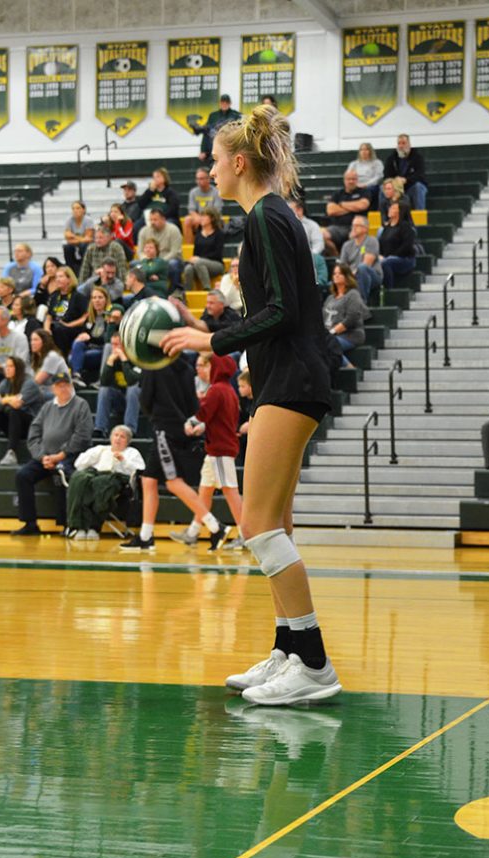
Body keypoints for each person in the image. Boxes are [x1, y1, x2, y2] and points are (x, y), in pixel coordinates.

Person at [160, 103, 342, 706]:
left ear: (239, 162)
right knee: (277, 525)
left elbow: (284, 312)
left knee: (258, 526)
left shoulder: (266, 216)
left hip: (290, 381)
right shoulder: (271, 216)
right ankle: (288, 650)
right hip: (289, 379)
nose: (208, 171)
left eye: (214, 160)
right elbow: (282, 307)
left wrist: (212, 339)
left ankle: (312, 663)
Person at [119, 358, 230, 553]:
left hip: (165, 428)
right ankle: (146, 536)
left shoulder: (152, 365)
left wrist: (156, 417)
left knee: (172, 481)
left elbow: (145, 398)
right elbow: (193, 403)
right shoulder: (186, 367)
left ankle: (216, 527)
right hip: (181, 427)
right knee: (149, 479)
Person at [169, 353, 244, 549]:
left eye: (208, 365)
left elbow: (203, 413)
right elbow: (218, 419)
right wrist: (201, 427)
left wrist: (191, 422)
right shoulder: (228, 390)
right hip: (217, 448)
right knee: (204, 492)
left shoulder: (216, 390)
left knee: (230, 492)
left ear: (217, 367)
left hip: (220, 449)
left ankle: (246, 534)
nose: (204, 370)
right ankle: (193, 531)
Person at [12, 372, 93, 536]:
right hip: (46, 456)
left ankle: (67, 525)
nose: (63, 388)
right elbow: (33, 434)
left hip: (71, 456)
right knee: (23, 475)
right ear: (53, 388)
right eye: (59, 385)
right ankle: (30, 523)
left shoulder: (80, 405)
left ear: (71, 386)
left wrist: (61, 455)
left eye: (66, 385)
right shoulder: (48, 407)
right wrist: (43, 457)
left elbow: (82, 436)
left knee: (61, 473)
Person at [66, 425, 145, 541]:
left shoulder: (132, 453)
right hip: (94, 475)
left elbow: (139, 471)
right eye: (116, 435)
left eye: (122, 437)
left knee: (102, 483)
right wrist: (93, 456)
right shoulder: (101, 449)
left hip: (117, 479)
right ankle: (78, 526)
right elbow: (79, 465)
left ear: (127, 441)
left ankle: (94, 526)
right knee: (79, 479)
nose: (118, 439)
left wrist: (123, 460)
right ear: (111, 438)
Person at [93, 333, 141, 438]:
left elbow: (132, 380)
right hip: (120, 400)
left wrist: (124, 359)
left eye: (117, 344)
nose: (115, 348)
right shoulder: (112, 359)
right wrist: (109, 362)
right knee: (104, 390)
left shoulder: (137, 358)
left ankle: (129, 429)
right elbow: (104, 382)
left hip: (138, 402)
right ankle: (100, 428)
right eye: (113, 345)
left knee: (133, 389)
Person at [322, 264, 369, 365]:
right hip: (330, 336)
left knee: (328, 345)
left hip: (350, 335)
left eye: (340, 273)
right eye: (334, 273)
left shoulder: (353, 294)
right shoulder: (330, 298)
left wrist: (332, 332)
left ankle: (350, 369)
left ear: (347, 277)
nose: (336, 276)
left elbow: (351, 318)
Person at [69, 286, 112, 388]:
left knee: (76, 357)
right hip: (89, 349)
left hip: (102, 351)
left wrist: (89, 338)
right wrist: (82, 337)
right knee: (76, 345)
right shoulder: (89, 318)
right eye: (94, 298)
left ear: (106, 300)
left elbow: (107, 339)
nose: (97, 300)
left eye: (100, 297)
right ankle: (77, 376)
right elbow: (84, 336)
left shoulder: (110, 317)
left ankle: (79, 375)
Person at [322, 168, 370, 256]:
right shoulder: (338, 194)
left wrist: (341, 204)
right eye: (349, 179)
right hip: (337, 227)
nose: (351, 181)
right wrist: (353, 207)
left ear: (357, 180)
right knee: (322, 235)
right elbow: (330, 210)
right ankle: (336, 256)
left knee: (355, 236)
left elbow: (362, 205)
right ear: (344, 180)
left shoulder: (364, 192)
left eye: (353, 179)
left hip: (356, 226)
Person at [44, 266, 88, 358]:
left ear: (69, 279)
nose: (57, 279)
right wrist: (46, 329)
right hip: (55, 325)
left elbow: (85, 317)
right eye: (56, 277)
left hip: (72, 327)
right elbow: (49, 316)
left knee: (59, 329)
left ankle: (62, 357)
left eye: (61, 277)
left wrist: (69, 325)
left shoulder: (78, 296)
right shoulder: (54, 296)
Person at [136, 208, 184, 293]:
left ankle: (176, 291)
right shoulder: (144, 231)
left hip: (168, 260)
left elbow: (175, 251)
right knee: (134, 264)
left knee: (174, 264)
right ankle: (141, 292)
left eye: (155, 220)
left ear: (163, 219)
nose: (152, 222)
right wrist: (145, 261)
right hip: (148, 261)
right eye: (151, 220)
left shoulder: (173, 230)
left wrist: (159, 263)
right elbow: (140, 251)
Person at [340, 215, 383, 302]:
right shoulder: (347, 245)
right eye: (353, 225)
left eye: (357, 226)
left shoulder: (372, 241)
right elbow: (342, 266)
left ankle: (362, 302)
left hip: (371, 275)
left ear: (365, 229)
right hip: (352, 276)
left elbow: (367, 264)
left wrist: (350, 275)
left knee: (362, 268)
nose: (353, 228)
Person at [183, 207, 225, 291]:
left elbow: (217, 254)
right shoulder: (198, 234)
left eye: (204, 216)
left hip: (216, 264)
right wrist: (193, 259)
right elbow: (196, 253)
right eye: (201, 216)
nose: (201, 218)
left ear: (212, 218)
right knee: (188, 268)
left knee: (199, 262)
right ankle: (186, 293)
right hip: (200, 264)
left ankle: (207, 289)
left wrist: (199, 259)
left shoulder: (219, 233)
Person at [383, 134, 428, 211]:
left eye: (403, 143)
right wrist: (395, 181)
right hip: (396, 188)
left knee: (419, 187)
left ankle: (420, 216)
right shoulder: (391, 158)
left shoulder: (418, 157)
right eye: (399, 143)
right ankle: (385, 217)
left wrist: (405, 180)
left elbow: (420, 175)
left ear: (409, 145)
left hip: (412, 187)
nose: (401, 146)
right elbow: (386, 175)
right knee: (382, 188)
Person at [191, 94, 242, 161]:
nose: (224, 104)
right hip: (214, 148)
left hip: (230, 148)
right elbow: (206, 133)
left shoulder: (236, 115)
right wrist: (203, 150)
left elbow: (240, 134)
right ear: (220, 103)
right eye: (223, 102)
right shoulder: (213, 116)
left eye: (226, 102)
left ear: (230, 103)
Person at [133, 167, 181, 238]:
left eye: (158, 176)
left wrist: (160, 217)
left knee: (169, 224)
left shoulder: (170, 192)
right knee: (137, 225)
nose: (155, 179)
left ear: (164, 178)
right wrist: (150, 190)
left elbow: (173, 209)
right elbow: (140, 204)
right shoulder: (150, 191)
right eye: (154, 177)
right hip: (148, 217)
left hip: (165, 217)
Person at [172, 289, 241, 336]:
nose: (207, 306)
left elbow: (206, 328)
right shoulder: (207, 312)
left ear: (221, 305)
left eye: (211, 303)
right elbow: (200, 328)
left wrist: (184, 311)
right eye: (207, 303)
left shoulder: (232, 316)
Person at [379, 201, 416, 288]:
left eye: (393, 208)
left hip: (404, 259)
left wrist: (388, 256)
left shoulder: (406, 227)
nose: (390, 209)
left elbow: (406, 246)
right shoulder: (386, 228)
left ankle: (389, 290)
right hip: (388, 257)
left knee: (386, 263)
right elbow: (381, 244)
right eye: (390, 207)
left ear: (400, 211)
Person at [183, 167, 223, 244]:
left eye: (201, 178)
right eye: (197, 179)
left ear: (208, 179)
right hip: (198, 218)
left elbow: (217, 211)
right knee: (187, 220)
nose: (199, 181)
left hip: (212, 218)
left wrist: (205, 219)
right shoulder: (193, 192)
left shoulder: (216, 192)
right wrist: (201, 219)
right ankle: (190, 248)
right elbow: (191, 211)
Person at [30, 329, 69, 398]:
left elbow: (36, 381)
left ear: (44, 342)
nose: (32, 343)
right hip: (46, 390)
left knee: (30, 395)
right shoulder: (37, 358)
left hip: (60, 393)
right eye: (31, 340)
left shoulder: (52, 356)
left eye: (36, 340)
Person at [63, 201, 94, 275]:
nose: (75, 210)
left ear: (84, 210)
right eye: (73, 208)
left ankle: (85, 269)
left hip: (87, 245)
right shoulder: (69, 220)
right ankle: (70, 271)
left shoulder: (88, 220)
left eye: (78, 208)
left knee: (83, 245)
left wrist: (73, 236)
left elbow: (88, 238)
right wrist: (81, 238)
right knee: (67, 247)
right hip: (75, 244)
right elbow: (67, 238)